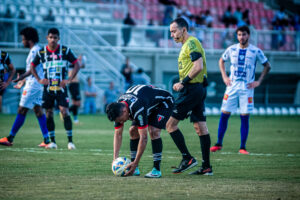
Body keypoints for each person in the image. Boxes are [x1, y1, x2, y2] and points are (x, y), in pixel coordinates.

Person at [210, 26, 271, 155]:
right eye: (239, 35)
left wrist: (258, 81)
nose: (241, 37)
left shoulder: (255, 51)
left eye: (243, 34)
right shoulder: (231, 49)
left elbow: (267, 65)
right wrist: (224, 76)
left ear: (248, 35)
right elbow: (221, 61)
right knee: (224, 114)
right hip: (232, 86)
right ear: (237, 36)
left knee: (244, 116)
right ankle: (218, 143)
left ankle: (242, 147)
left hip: (247, 88)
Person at [166, 18, 213, 175]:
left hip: (191, 89)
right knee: (200, 127)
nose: (172, 35)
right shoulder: (187, 45)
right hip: (197, 89)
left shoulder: (191, 43)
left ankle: (187, 158)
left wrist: (183, 83)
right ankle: (206, 166)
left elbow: (198, 66)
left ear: (184, 29)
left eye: (174, 31)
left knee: (170, 125)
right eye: (170, 32)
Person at [106, 85, 174, 178]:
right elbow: (118, 134)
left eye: (121, 120)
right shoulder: (117, 107)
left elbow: (144, 138)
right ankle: (135, 168)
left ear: (125, 111)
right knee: (133, 131)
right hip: (146, 103)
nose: (121, 122)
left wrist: (135, 162)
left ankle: (156, 170)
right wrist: (115, 159)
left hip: (164, 102)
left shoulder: (137, 107)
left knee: (154, 131)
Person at [0, 27, 52, 147]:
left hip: (33, 85)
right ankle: (47, 139)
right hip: (36, 85)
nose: (22, 41)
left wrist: (21, 77)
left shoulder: (35, 51)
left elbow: (31, 70)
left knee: (22, 109)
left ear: (29, 40)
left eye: (23, 39)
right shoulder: (37, 50)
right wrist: (23, 80)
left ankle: (10, 138)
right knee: (38, 110)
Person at [31, 28, 80, 150]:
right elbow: (32, 66)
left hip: (61, 89)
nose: (53, 40)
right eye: (51, 37)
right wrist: (39, 80)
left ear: (58, 39)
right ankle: (52, 142)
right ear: (47, 38)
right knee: (48, 113)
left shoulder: (65, 50)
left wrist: (68, 80)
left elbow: (77, 64)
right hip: (48, 89)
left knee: (64, 111)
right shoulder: (41, 53)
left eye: (55, 37)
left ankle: (70, 142)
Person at [68, 55, 85, 124]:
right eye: (79, 58)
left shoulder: (75, 64)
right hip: (73, 84)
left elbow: (83, 66)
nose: (80, 59)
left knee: (76, 103)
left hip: (75, 84)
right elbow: (81, 65)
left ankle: (75, 119)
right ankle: (65, 112)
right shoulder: (73, 63)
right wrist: (81, 60)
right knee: (77, 103)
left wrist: (82, 61)